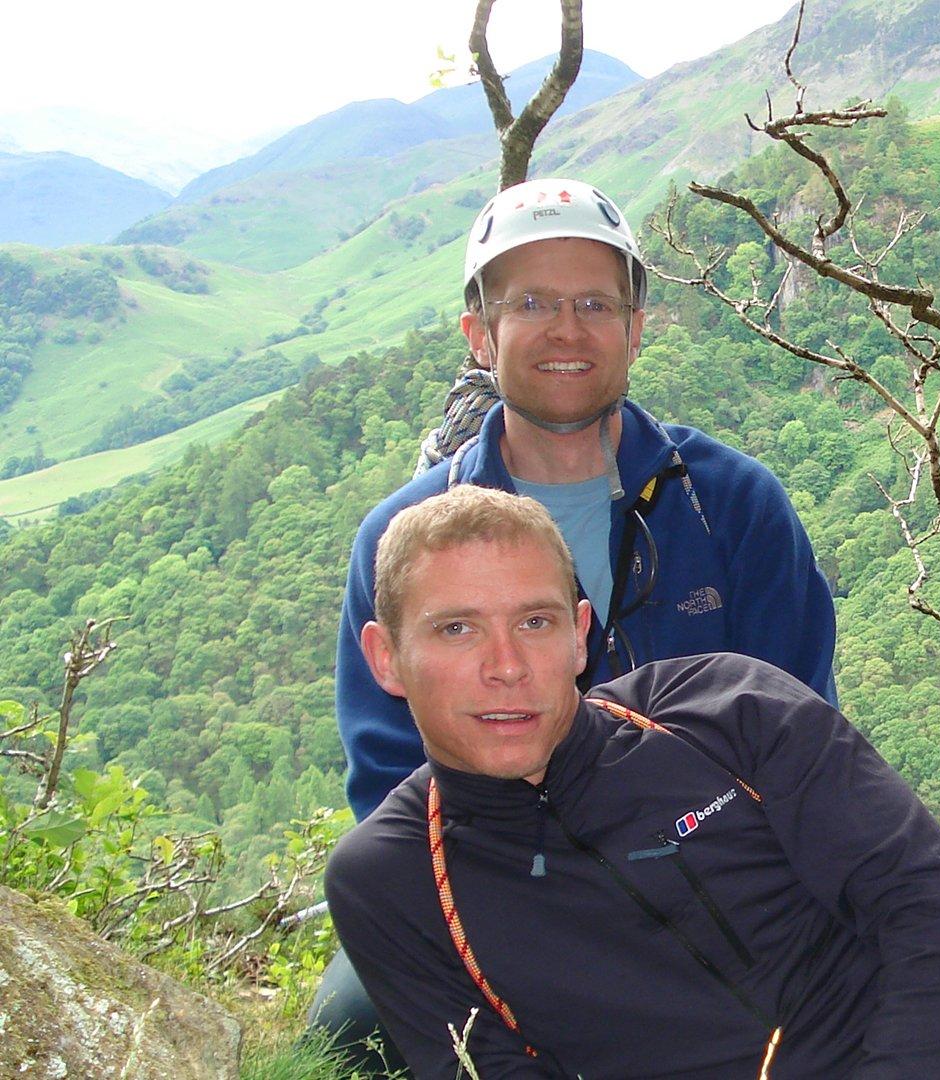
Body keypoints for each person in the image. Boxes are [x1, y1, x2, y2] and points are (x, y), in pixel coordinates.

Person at [318, 176, 840, 1070]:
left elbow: (805, 733)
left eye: (596, 303)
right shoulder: (409, 542)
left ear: (635, 327)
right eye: (533, 303)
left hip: (713, 858)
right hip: (499, 884)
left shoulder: (728, 504)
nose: (568, 330)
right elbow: (391, 781)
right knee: (354, 1020)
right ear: (480, 335)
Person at [324, 485, 940, 1079]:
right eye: (456, 629)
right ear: (386, 658)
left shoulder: (727, 711)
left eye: (535, 622)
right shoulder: (395, 878)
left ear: (578, 636)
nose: (506, 666)